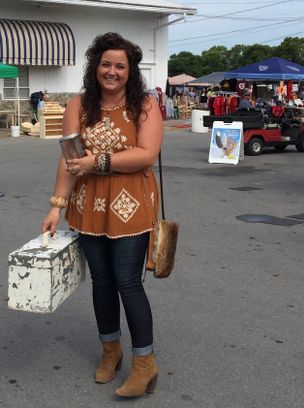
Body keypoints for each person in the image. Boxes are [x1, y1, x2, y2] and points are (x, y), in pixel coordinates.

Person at [41, 32, 163, 398]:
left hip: (131, 206)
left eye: (120, 66)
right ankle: (111, 350)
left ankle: (145, 363)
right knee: (101, 282)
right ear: (96, 67)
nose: (112, 72)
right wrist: (56, 205)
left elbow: (146, 154)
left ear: (131, 71)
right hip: (88, 205)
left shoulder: (145, 105)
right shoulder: (78, 105)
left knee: (128, 283)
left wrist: (100, 161)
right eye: (106, 64)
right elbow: (70, 159)